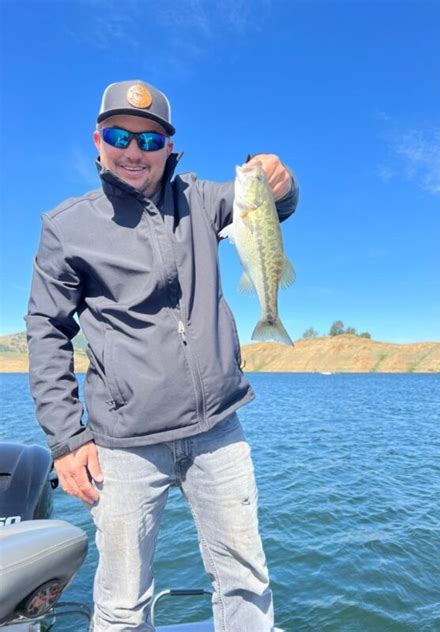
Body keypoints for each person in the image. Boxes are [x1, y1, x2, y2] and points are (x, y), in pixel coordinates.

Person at [26, 79, 298, 631]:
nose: (134, 151)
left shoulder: (200, 199)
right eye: (119, 135)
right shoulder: (67, 227)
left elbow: (269, 207)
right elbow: (46, 329)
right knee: (122, 603)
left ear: (169, 149)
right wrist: (65, 438)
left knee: (246, 581)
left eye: (150, 141)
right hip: (123, 443)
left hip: (218, 429)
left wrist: (282, 182)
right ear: (97, 141)